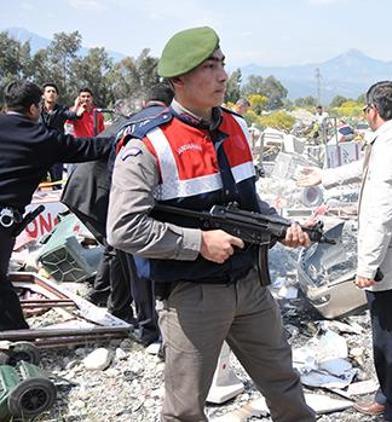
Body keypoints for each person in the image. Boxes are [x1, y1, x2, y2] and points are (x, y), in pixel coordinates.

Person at [106, 27, 315, 421]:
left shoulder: (236, 127)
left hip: (250, 287)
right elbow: (123, 228)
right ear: (178, 81)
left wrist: (276, 226)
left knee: (284, 385)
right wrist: (198, 242)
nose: (222, 75)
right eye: (208, 66)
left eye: (222, 63)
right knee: (185, 409)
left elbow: (249, 202)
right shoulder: (148, 144)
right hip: (193, 297)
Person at [298, 81, 392, 421]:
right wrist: (324, 177)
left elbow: (381, 210)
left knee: (391, 341)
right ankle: (387, 395)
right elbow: (365, 169)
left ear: (372, 111)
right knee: (389, 333)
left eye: (365, 110)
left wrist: (367, 265)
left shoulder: (391, 144)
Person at [63, 83, 175, 345]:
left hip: (89, 190)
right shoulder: (159, 123)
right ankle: (144, 324)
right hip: (99, 193)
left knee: (116, 250)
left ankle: (116, 307)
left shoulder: (131, 121)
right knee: (131, 257)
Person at [0, 80, 112, 331]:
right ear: (32, 108)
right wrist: (122, 139)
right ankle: (18, 339)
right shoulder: (39, 137)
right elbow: (87, 148)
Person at [40, 82, 84, 185]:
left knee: (57, 182)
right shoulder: (37, 109)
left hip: (56, 151)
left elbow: (71, 115)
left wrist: (78, 113)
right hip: (39, 150)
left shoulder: (61, 110)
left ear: (57, 96)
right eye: (48, 91)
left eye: (54, 92)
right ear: (43, 95)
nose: (51, 93)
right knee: (39, 183)